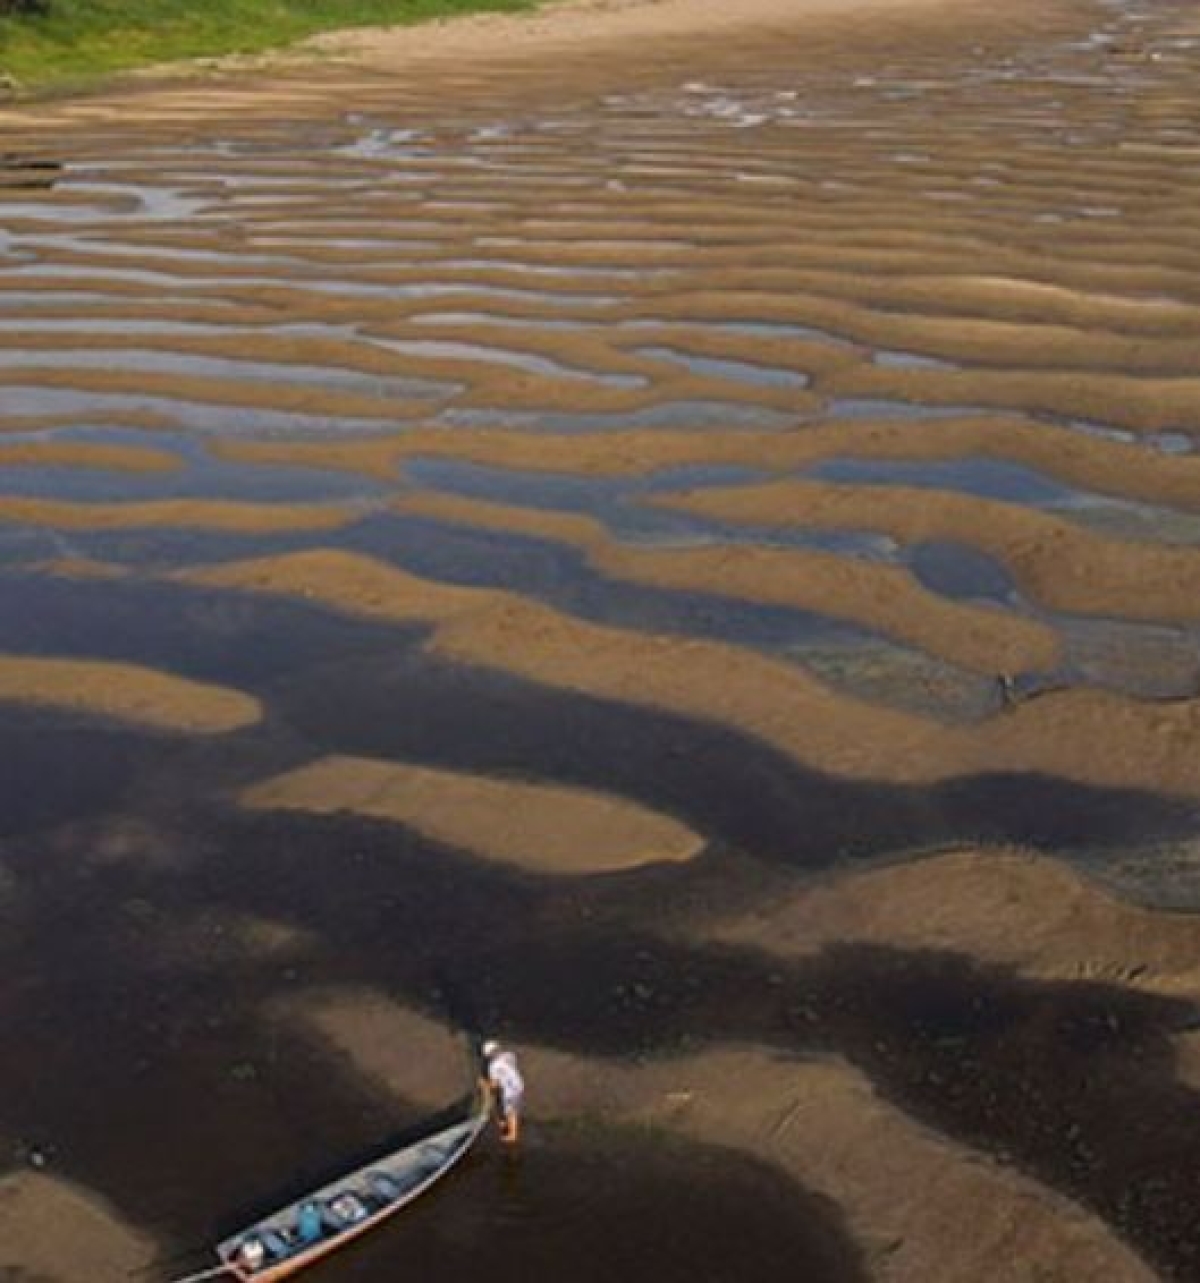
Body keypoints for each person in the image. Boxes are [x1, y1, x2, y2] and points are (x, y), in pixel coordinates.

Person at [481, 1039, 524, 1145]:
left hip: (510, 1089)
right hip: (518, 1085)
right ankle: (504, 1124)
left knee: (511, 1112)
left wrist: (485, 1085)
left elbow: (495, 1085)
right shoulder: (509, 1056)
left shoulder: (494, 1066)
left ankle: (512, 1135)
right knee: (511, 1108)